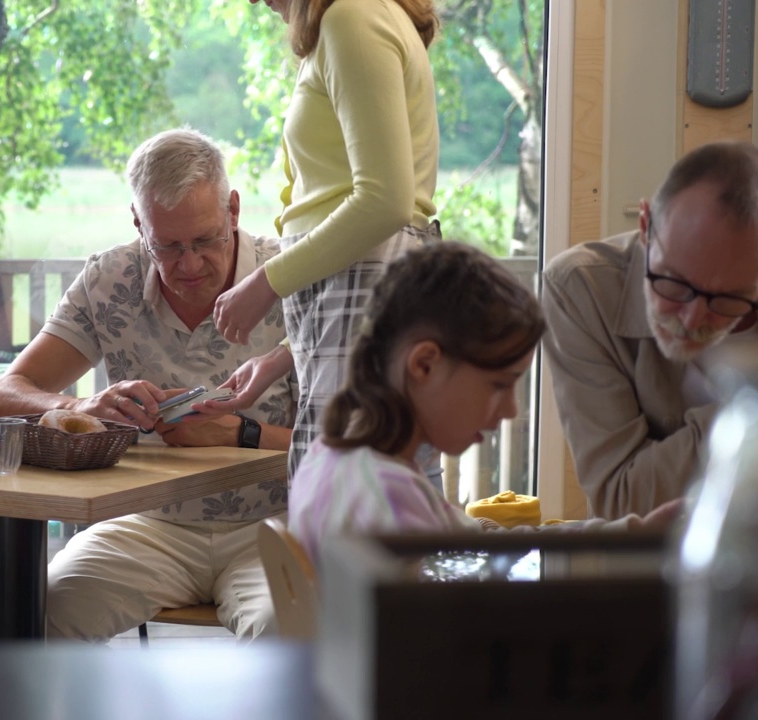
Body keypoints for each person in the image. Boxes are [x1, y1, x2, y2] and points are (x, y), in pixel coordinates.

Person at [0, 128, 295, 641]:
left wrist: (241, 434)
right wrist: (82, 404)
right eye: (167, 246)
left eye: (205, 240)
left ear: (234, 210)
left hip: (274, 522)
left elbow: (347, 443)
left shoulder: (286, 277)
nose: (189, 265)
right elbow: (2, 395)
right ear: (137, 223)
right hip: (147, 525)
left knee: (285, 629)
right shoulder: (111, 278)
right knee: (43, 611)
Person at [287, 242, 681, 560]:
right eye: (498, 385)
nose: (511, 410)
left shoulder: (333, 459)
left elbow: (479, 540)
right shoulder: (391, 503)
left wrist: (635, 531)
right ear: (424, 365)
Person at [209, 0, 442, 480]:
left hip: (366, 285)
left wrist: (264, 283)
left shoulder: (351, 17)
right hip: (361, 292)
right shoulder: (354, 19)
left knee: (347, 513)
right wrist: (285, 356)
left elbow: (385, 202)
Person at [541, 141, 758, 518]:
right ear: (645, 227)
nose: (691, 320)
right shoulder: (581, 290)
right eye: (673, 284)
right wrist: (746, 411)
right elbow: (622, 500)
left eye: (728, 298)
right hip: (644, 570)